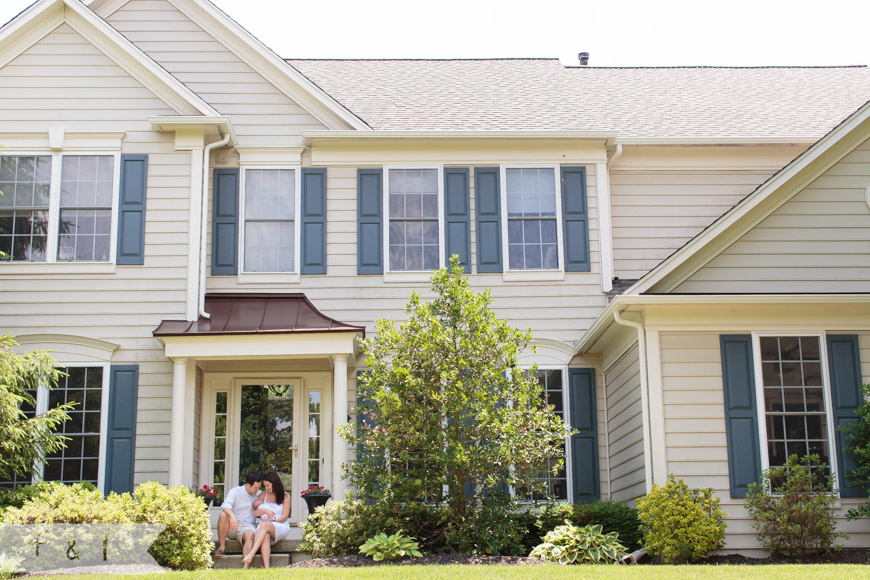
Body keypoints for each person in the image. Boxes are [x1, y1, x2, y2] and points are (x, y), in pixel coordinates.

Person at [242, 471, 291, 568]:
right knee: (265, 536)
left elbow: (284, 516)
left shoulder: (285, 496)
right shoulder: (263, 494)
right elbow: (255, 513)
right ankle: (267, 568)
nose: (267, 488)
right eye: (265, 486)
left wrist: (272, 522)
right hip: (264, 527)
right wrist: (265, 512)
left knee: (265, 525)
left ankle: (251, 554)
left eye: (268, 485)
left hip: (279, 525)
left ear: (275, 483)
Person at [213, 472, 262, 558]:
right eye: (255, 488)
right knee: (223, 514)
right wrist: (232, 516)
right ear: (247, 485)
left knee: (250, 534)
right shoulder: (235, 491)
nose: (257, 490)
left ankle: (246, 563)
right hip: (232, 526)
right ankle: (221, 548)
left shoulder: (259, 494)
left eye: (258, 488)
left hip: (247, 527)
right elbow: (226, 506)